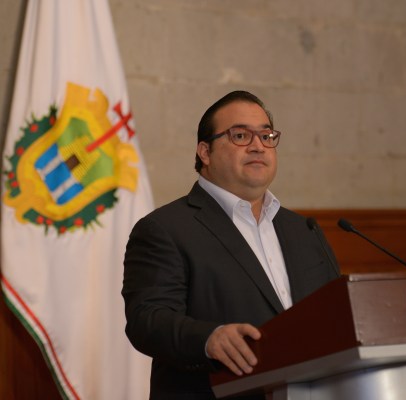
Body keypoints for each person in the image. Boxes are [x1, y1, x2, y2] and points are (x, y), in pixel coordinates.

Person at [122, 90, 340, 399]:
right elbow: (147, 320)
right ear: (205, 152)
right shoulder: (165, 229)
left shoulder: (304, 230)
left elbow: (336, 313)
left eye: (266, 136)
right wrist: (208, 339)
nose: (258, 146)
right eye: (240, 136)